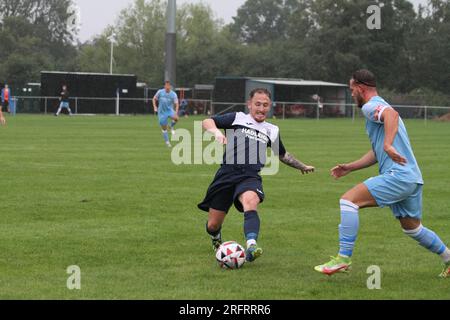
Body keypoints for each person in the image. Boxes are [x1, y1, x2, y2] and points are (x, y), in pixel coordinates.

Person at [314, 69, 450, 278]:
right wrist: (350, 166)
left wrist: (387, 144)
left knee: (348, 201)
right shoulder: (378, 106)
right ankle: (449, 259)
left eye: (352, 90)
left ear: (360, 88)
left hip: (398, 175)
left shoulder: (370, 106)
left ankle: (343, 258)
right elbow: (377, 152)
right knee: (412, 228)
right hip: (412, 178)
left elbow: (391, 115)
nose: (351, 95)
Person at [198, 88, 315, 263]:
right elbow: (207, 121)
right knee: (213, 225)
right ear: (249, 104)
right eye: (257, 104)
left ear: (270, 107)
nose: (261, 108)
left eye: (265, 105)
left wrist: (302, 166)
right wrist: (216, 132)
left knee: (251, 201)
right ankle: (216, 237)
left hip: (250, 176)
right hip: (227, 174)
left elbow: (282, 154)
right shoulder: (238, 118)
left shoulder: (272, 130)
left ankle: (251, 245)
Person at [153, 81, 179, 148]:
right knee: (164, 128)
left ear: (170, 87)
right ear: (164, 86)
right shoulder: (160, 92)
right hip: (161, 112)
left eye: (168, 86)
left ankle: (170, 126)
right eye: (166, 86)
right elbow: (154, 99)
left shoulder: (173, 94)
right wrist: (155, 107)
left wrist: (176, 113)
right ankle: (167, 142)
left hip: (169, 110)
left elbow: (177, 104)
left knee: (176, 118)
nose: (167, 87)